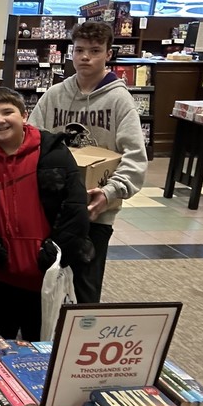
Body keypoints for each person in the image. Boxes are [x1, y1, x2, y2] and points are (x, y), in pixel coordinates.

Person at [0, 88, 91, 341]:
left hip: (45, 276)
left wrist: (55, 253)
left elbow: (74, 208)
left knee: (43, 343)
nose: (0, 120)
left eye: (8, 112)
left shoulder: (54, 152)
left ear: (24, 115)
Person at [28, 21, 147, 303]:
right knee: (44, 276)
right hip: (53, 206)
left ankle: (81, 338)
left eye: (94, 51)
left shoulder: (120, 100)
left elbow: (136, 159)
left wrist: (110, 192)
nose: (85, 57)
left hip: (96, 210)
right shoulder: (54, 95)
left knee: (86, 284)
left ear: (108, 54)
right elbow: (32, 140)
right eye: (79, 50)